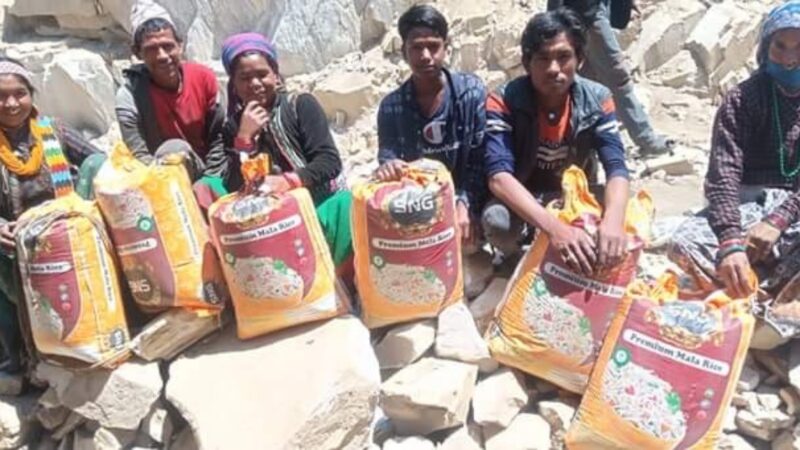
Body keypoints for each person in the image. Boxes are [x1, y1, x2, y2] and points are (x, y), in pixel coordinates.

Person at [668, 1, 800, 349]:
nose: (789, 58)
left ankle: (767, 300)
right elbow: (723, 174)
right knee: (685, 243)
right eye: (780, 46)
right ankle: (763, 293)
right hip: (747, 204)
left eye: (799, 48)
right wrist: (730, 243)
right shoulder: (742, 99)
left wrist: (778, 220)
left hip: (794, 210)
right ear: (765, 46)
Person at [482, 8, 630, 275]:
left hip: (572, 195)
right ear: (527, 63)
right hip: (524, 196)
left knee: (627, 210)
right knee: (497, 223)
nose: (554, 69)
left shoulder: (598, 99)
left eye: (564, 57)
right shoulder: (503, 100)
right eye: (543, 58)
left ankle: (585, 253)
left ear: (580, 60)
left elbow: (616, 167)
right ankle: (518, 260)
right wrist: (556, 229)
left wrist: (613, 221)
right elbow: (499, 177)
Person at [0, 57, 106, 373]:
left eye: (19, 93)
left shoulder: (54, 130)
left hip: (65, 233)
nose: (11, 103)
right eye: (1, 96)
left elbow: (96, 161)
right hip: (14, 243)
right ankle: (16, 354)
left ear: (31, 95)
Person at [217, 32, 353, 270]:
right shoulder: (233, 125)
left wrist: (289, 181)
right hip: (264, 212)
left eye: (262, 74)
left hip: (315, 199)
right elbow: (234, 185)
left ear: (276, 75)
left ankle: (341, 282)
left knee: (344, 203)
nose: (255, 84)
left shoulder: (300, 105)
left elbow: (329, 162)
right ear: (234, 85)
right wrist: (245, 139)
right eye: (245, 78)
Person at [375, 4, 487, 248]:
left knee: (492, 225)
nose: (426, 55)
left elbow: (479, 161)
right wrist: (389, 167)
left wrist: (464, 203)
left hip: (465, 199)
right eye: (416, 48)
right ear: (404, 52)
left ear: (446, 48)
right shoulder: (391, 106)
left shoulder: (471, 93)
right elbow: (387, 156)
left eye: (433, 46)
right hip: (419, 202)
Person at [115, 0, 227, 184]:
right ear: (137, 53)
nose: (162, 56)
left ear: (180, 45)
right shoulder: (130, 96)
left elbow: (218, 137)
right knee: (173, 149)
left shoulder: (203, 78)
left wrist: (210, 180)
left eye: (168, 46)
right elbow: (140, 155)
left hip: (210, 171)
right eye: (151, 49)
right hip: (161, 176)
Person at [547, 0, 674, 157]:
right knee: (617, 78)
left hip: (589, 13)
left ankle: (581, 143)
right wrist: (554, 21)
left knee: (587, 82)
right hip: (586, 16)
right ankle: (646, 139)